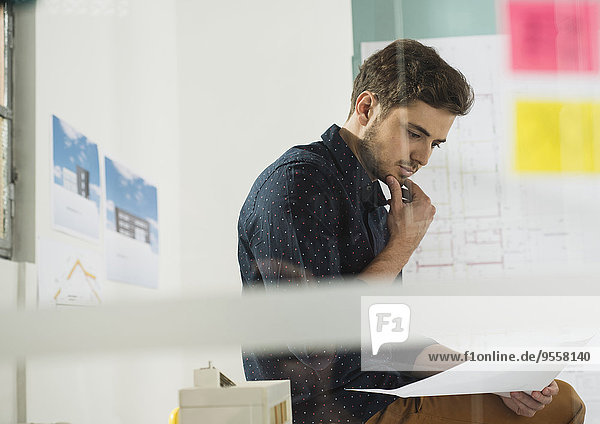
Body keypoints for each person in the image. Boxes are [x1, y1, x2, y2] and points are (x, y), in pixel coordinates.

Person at [237, 39, 585, 423]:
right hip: (334, 411)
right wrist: (401, 245)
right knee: (564, 408)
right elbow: (315, 343)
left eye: (434, 143)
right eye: (414, 133)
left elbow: (391, 343)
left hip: (383, 392)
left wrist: (491, 379)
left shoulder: (376, 194)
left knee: (556, 398)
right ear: (367, 108)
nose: (423, 157)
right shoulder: (298, 184)